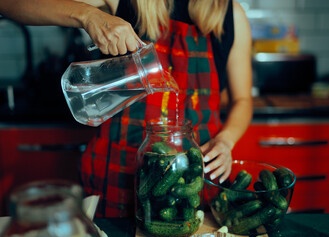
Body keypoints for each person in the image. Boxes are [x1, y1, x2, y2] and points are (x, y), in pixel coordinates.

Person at [0, 0, 253, 217]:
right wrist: (89, 16)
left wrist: (226, 141)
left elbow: (243, 100)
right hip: (118, 175)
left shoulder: (229, 14)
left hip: (198, 178)